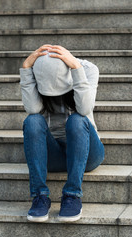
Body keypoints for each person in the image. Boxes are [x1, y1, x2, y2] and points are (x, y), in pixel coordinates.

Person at [20, 44, 105, 223]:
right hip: (54, 153)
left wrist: (76, 69)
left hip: (87, 151)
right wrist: (26, 69)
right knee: (32, 121)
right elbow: (33, 109)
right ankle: (39, 196)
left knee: (77, 120)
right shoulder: (36, 71)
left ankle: (72, 195)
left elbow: (84, 109)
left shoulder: (88, 70)